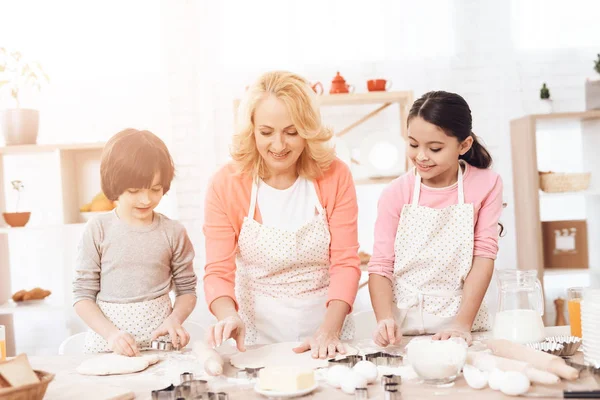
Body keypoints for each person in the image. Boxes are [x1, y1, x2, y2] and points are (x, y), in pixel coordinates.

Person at [203, 71, 361, 359]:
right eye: (266, 133)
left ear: (309, 129)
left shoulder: (335, 175)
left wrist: (329, 330)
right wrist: (227, 314)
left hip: (328, 333)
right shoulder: (227, 183)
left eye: (291, 132)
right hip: (256, 338)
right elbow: (218, 271)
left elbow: (346, 262)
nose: (278, 145)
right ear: (251, 129)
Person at [368, 91, 503, 346]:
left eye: (435, 148)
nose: (421, 156)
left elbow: (484, 256)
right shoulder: (396, 193)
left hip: (463, 320)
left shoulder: (487, 184)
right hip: (403, 326)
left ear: (464, 145)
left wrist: (462, 324)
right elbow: (381, 266)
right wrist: (385, 319)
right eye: (413, 144)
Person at [73, 129, 197, 356]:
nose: (146, 199)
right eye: (134, 191)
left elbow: (187, 290)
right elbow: (82, 296)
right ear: (114, 185)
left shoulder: (173, 232)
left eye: (155, 189)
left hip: (161, 348)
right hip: (107, 349)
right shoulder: (97, 229)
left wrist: (175, 319)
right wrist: (112, 335)